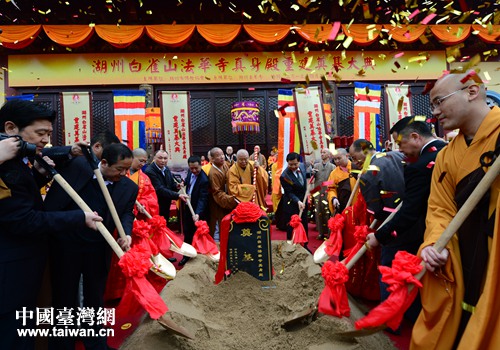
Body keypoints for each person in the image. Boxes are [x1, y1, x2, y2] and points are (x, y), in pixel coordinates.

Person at [0, 99, 102, 350]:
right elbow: (23, 219)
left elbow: (20, 194)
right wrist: (80, 218)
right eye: (40, 133)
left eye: (48, 133)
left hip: (24, 261)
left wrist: (40, 173)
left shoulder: (15, 158)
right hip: (11, 267)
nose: (46, 140)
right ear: (11, 129)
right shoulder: (5, 164)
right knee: (11, 331)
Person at [411, 73, 500, 350]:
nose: (435, 112)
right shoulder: (447, 156)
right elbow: (439, 207)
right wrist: (435, 243)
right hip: (462, 254)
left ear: (472, 91)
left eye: (439, 102)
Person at [44, 143, 137, 349]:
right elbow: (42, 154)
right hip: (67, 246)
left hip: (98, 249)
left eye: (127, 169)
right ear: (103, 162)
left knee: (95, 298)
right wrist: (71, 150)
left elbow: (126, 213)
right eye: (119, 169)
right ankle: (62, 344)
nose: (123, 174)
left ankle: (95, 343)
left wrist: (126, 233)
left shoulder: (129, 187)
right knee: (64, 298)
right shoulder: (77, 168)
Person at [365, 117, 447, 322]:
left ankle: (393, 319)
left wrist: (380, 236)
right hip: (445, 232)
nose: (399, 150)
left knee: (393, 270)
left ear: (415, 137)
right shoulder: (447, 150)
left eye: (400, 144)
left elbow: (410, 211)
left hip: (428, 231)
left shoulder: (419, 165)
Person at [349, 139, 406, 304]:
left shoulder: (368, 175)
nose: (354, 162)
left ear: (364, 150)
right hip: (411, 218)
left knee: (388, 267)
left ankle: (388, 313)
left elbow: (376, 211)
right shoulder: (395, 155)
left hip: (390, 226)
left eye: (354, 157)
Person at [179, 155, 209, 266]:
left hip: (197, 211)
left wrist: (197, 213)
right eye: (192, 168)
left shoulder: (204, 180)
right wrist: (183, 183)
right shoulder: (190, 172)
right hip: (188, 207)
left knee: (197, 234)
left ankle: (199, 257)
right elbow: (188, 181)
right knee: (187, 233)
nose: (194, 171)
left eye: (196, 168)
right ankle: (186, 256)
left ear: (201, 165)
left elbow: (203, 198)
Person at [144, 150, 189, 221]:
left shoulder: (166, 169)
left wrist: (177, 186)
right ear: (154, 158)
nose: (163, 160)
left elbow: (170, 183)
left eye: (165, 158)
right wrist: (177, 195)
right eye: (160, 158)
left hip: (166, 202)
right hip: (156, 204)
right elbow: (159, 189)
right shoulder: (150, 171)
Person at [207, 147, 238, 237]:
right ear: (212, 159)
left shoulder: (225, 165)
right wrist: (232, 199)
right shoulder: (213, 173)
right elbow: (217, 192)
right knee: (218, 226)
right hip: (217, 203)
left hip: (226, 200)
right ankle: (217, 247)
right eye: (218, 156)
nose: (222, 157)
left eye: (222, 154)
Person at [279, 152, 309, 243]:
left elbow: (306, 176)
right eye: (290, 164)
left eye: (295, 164)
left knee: (304, 223)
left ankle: (304, 245)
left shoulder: (303, 166)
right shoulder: (285, 176)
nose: (293, 166)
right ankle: (291, 245)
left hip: (303, 201)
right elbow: (289, 192)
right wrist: (298, 201)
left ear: (299, 162)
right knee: (292, 224)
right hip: (292, 203)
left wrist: (312, 175)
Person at [128, 147, 159, 220]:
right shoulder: (121, 174)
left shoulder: (145, 178)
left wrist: (143, 203)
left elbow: (151, 196)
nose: (143, 164)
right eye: (141, 161)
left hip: (139, 213)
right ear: (132, 158)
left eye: (145, 162)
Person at [312, 148, 335, 239]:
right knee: (318, 211)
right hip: (317, 191)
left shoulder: (332, 167)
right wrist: (312, 173)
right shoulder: (316, 166)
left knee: (328, 212)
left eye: (324, 152)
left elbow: (333, 181)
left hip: (327, 191)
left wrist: (325, 184)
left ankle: (329, 233)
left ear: (329, 155)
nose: (322, 154)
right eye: (321, 152)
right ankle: (320, 232)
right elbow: (312, 178)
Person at [327, 148, 357, 214]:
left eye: (339, 158)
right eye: (335, 159)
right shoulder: (333, 173)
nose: (337, 161)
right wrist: (333, 198)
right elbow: (331, 189)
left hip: (357, 205)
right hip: (342, 206)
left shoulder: (356, 168)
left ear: (346, 156)